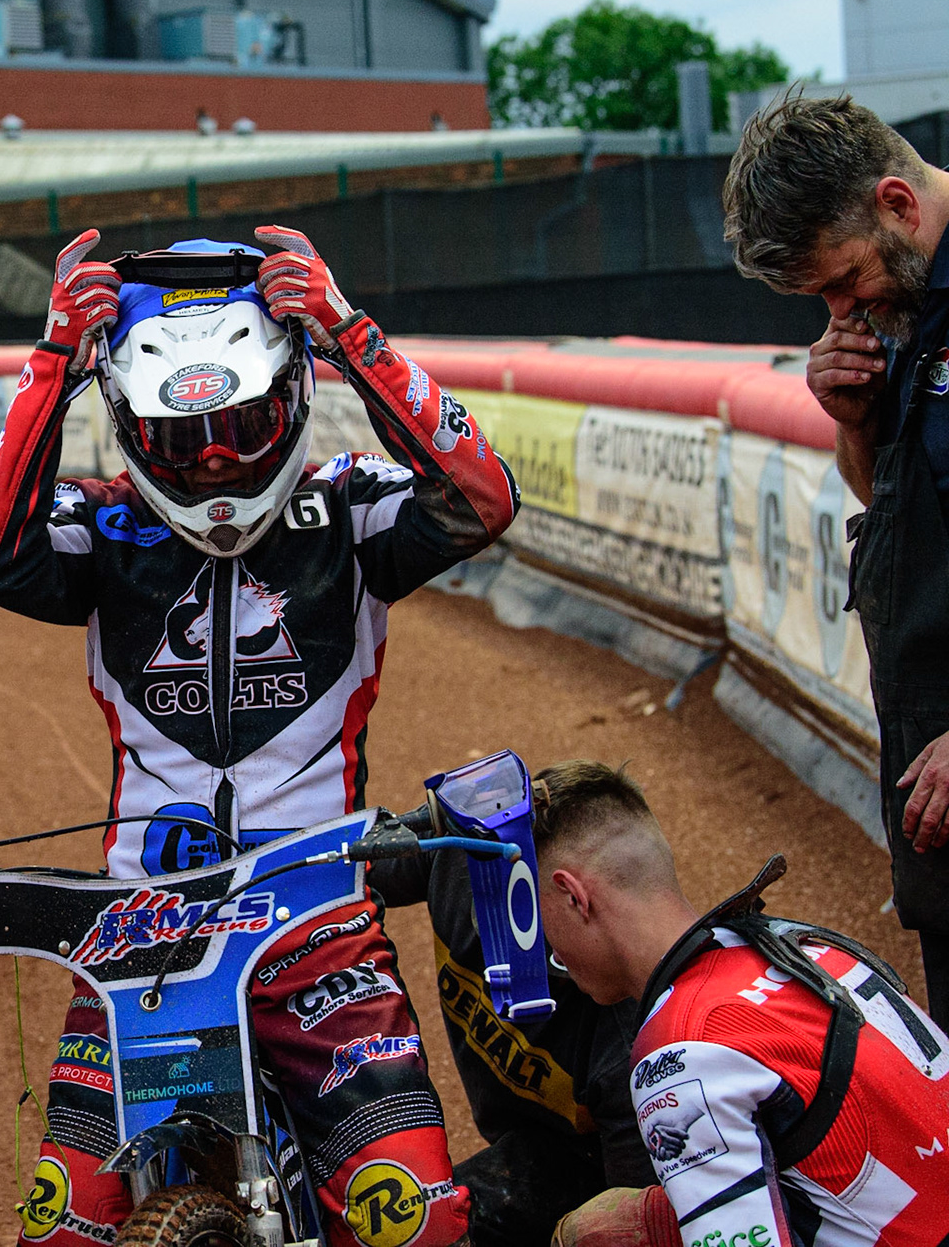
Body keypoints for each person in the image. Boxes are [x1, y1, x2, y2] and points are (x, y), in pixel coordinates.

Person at [0, 226, 520, 1246]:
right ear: (127, 422)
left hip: (317, 926)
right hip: (142, 932)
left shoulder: (348, 509)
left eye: (245, 425)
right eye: (179, 437)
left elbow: (483, 496)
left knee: (416, 1223)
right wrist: (50, 367)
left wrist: (349, 332)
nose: (214, 459)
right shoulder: (107, 528)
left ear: (293, 395)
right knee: (63, 1226)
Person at [722, 93, 949, 1025]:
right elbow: (886, 502)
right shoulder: (903, 310)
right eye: (820, 299)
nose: (841, 312)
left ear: (897, 203)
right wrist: (853, 423)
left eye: (845, 281)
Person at [532, 760, 949, 1247]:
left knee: (603, 1234)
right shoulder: (799, 942)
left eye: (543, 920)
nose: (552, 949)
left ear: (573, 897)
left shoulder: (680, 1052)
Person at [369, 773, 656, 1246]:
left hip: (579, 1162)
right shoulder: (463, 852)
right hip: (528, 1142)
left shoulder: (630, 1044)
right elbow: (344, 872)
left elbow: (628, 1225)